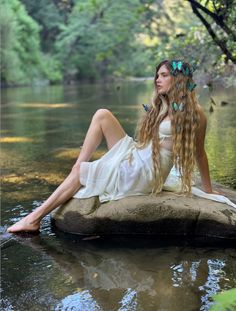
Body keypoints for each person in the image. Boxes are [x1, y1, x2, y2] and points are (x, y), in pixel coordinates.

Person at [7, 59, 216, 233]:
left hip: (148, 172)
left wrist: (209, 190)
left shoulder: (194, 113)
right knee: (102, 115)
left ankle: (34, 219)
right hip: (140, 156)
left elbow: (200, 154)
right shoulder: (161, 106)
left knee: (82, 171)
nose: (157, 80)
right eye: (157, 75)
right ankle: (77, 167)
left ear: (178, 79)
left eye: (163, 75)